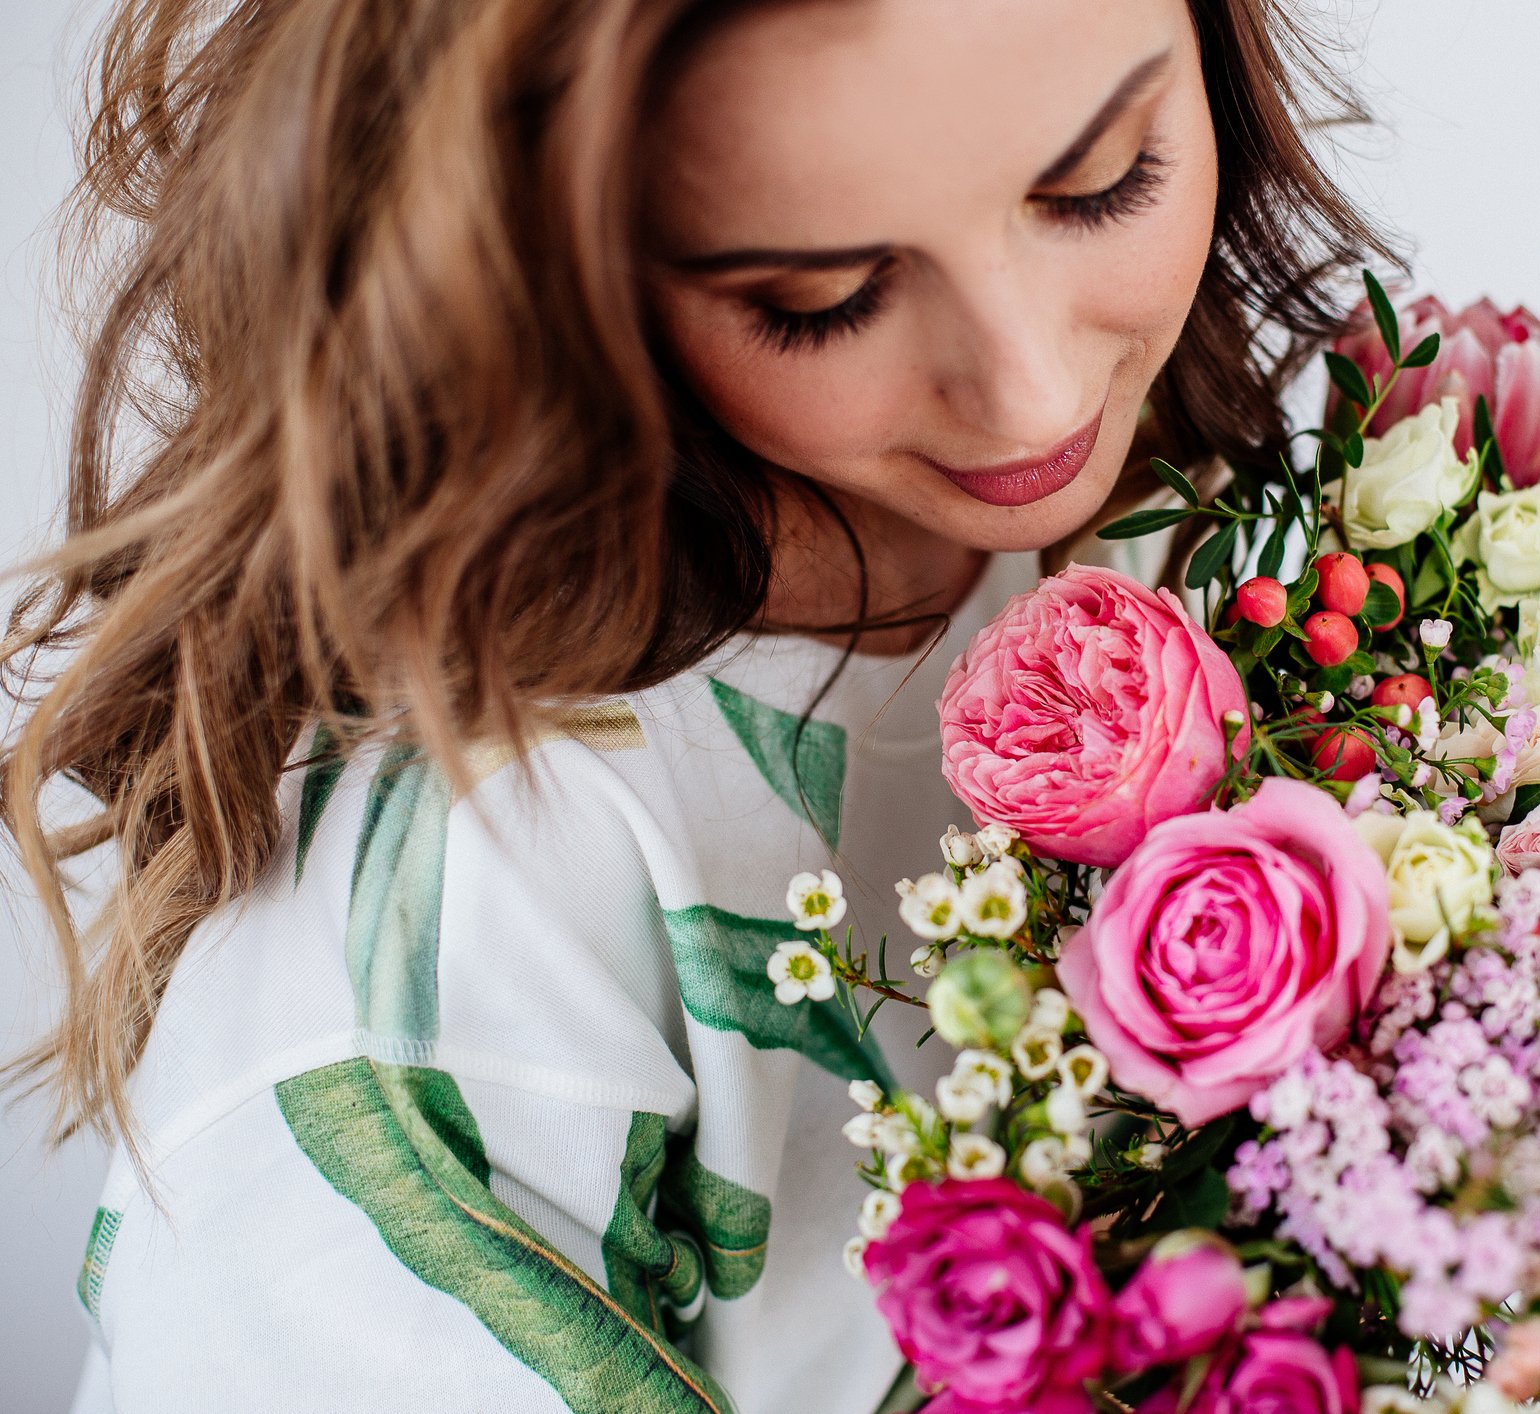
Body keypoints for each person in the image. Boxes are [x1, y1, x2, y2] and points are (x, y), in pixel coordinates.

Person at [0, 0, 1384, 1409]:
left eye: (1104, 185)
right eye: (820, 301)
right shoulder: (474, 899)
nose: (1034, 399)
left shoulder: (1243, 530)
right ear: (559, 259)